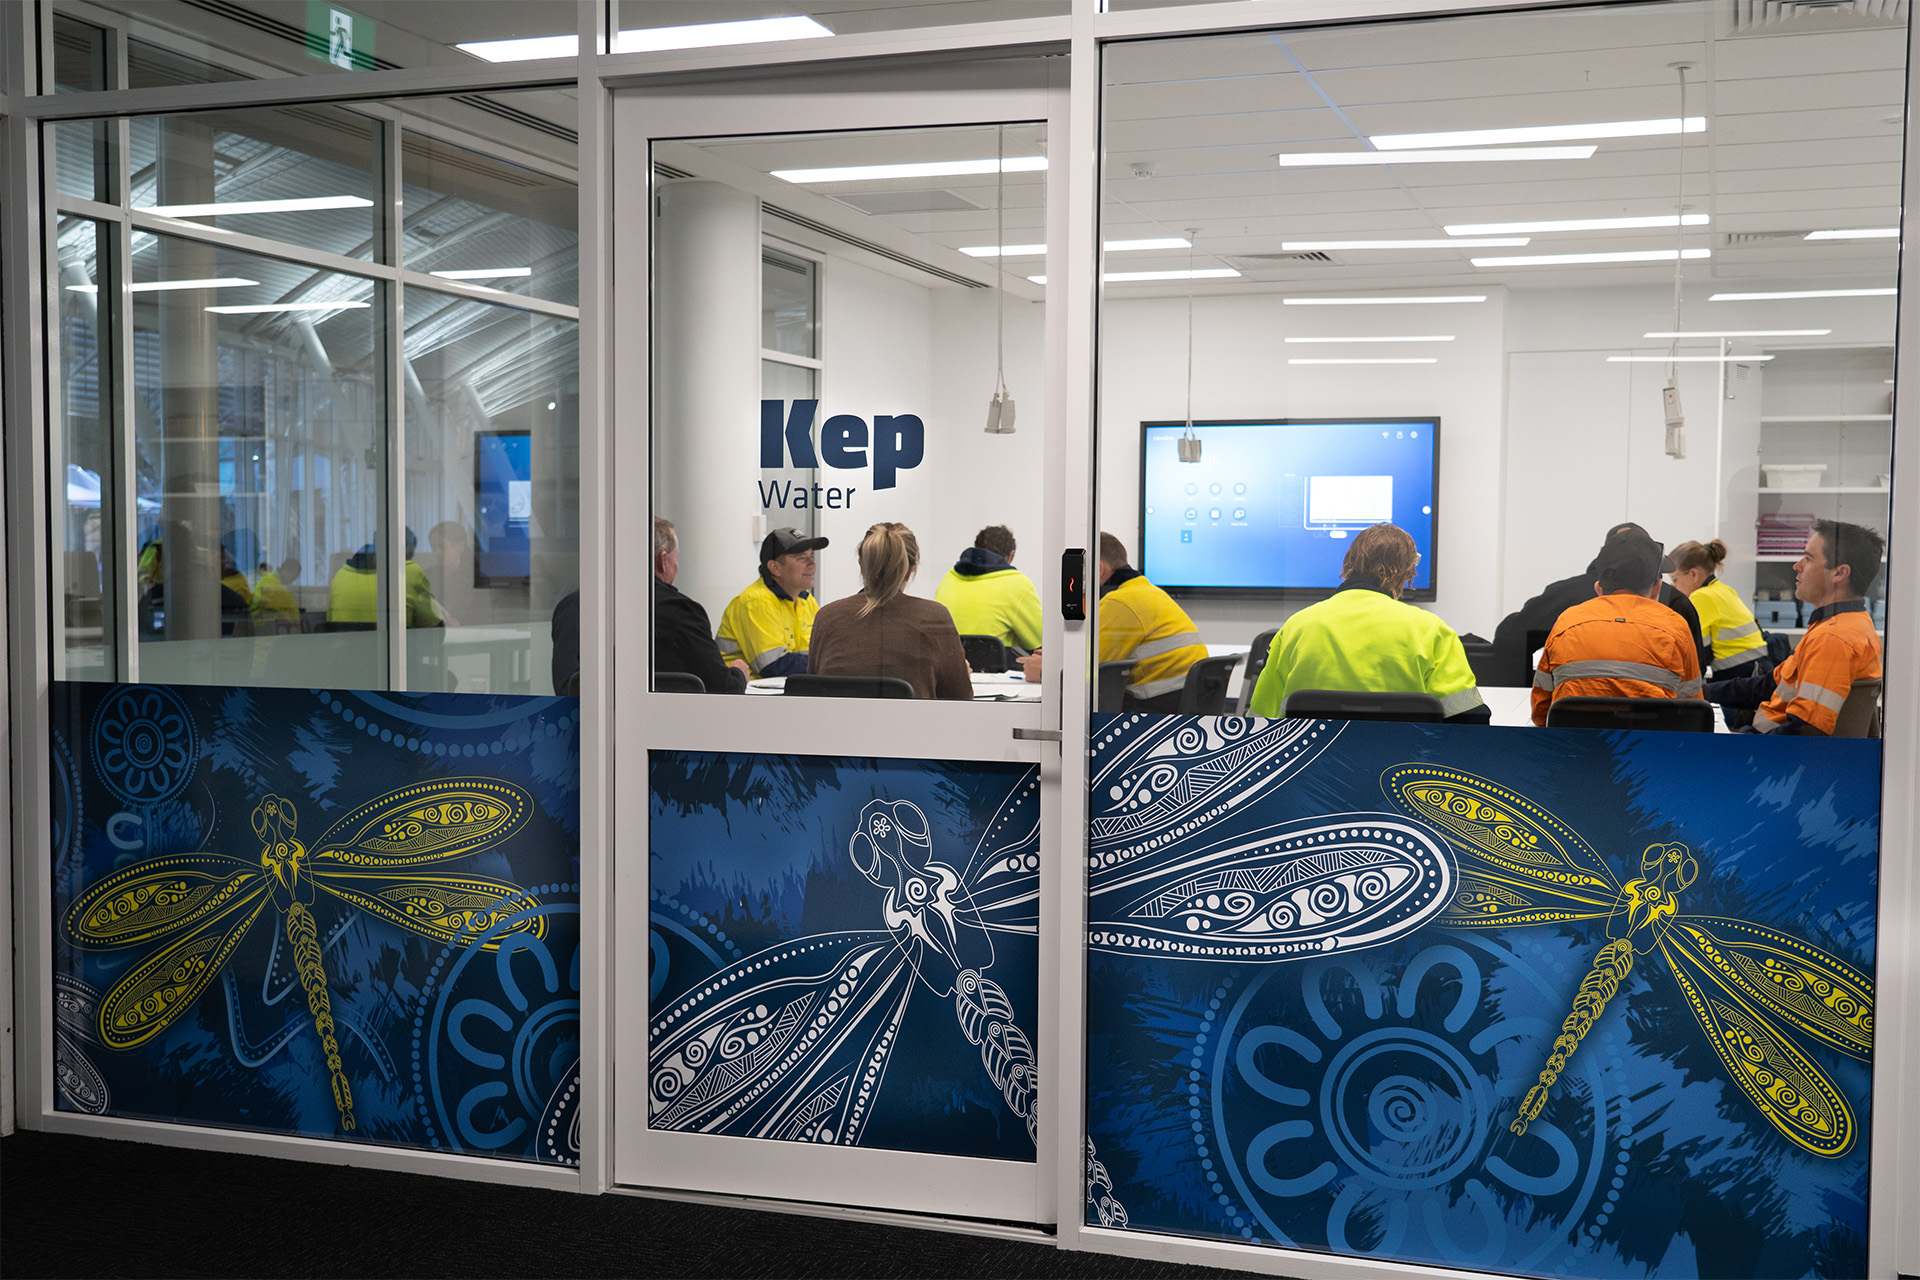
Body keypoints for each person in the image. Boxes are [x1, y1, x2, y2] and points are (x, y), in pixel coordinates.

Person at [1248, 523, 1488, 723]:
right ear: (1407, 573)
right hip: (1404, 763)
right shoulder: (1432, 630)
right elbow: (1469, 720)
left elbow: (1259, 721)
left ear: (1348, 565)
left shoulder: (1295, 628)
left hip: (1312, 762)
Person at [1706, 520, 1883, 735]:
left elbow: (1806, 730)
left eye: (1808, 558)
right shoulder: (1837, 625)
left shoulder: (1833, 638)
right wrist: (1699, 693)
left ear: (1839, 573)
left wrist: (1743, 742)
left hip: (1771, 750)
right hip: (1766, 743)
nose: (1797, 566)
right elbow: (1767, 686)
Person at [1492, 522, 1709, 687]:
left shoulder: (1565, 605)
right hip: (1655, 726)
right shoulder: (1676, 606)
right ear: (1656, 587)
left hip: (1573, 724)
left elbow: (1508, 638)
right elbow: (1693, 682)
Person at [1531, 531, 1703, 726]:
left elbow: (1540, 713)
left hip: (1574, 744)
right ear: (1657, 588)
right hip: (1649, 744)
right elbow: (1692, 716)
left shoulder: (1567, 622)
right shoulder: (1676, 627)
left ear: (1599, 588)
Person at [1022, 532, 1206, 713]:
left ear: (1099, 570)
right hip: (1183, 705)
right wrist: (1058, 659)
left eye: (1079, 574)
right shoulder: (1149, 592)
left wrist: (1044, 672)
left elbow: (1087, 674)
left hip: (1157, 712)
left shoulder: (1120, 601)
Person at [808, 522, 972, 700]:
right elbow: (960, 698)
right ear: (911, 569)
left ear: (861, 564)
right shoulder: (934, 616)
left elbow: (811, 693)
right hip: (913, 719)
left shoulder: (827, 617)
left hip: (839, 718)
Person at [1667, 538, 1769, 728]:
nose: (1673, 587)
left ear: (1693, 574)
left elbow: (1694, 652)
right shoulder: (1723, 590)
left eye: (1675, 579)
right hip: (1755, 674)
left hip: (1738, 680)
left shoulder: (1702, 597)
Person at [653, 517, 749, 693]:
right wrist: (739, 673)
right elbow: (723, 689)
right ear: (663, 562)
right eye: (676, 558)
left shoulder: (606, 607)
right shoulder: (681, 612)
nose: (677, 566)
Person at [717, 527, 827, 678]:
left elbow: (825, 651)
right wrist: (827, 661)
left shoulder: (806, 600)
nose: (812, 565)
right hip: (748, 690)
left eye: (812, 557)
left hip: (788, 688)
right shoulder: (756, 602)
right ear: (775, 568)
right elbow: (774, 666)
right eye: (802, 558)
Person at [933, 525, 1043, 652]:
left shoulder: (948, 579)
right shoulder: (1018, 584)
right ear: (1010, 555)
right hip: (996, 664)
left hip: (951, 663)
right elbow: (1043, 641)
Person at [327, 529, 443, 629]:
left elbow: (331, 620)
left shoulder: (340, 575)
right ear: (404, 550)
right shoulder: (409, 573)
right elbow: (435, 628)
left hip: (345, 647)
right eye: (411, 553)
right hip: (392, 647)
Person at [251, 557, 303, 632]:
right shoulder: (271, 583)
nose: (293, 580)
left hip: (272, 625)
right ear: (286, 571)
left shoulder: (281, 583)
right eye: (294, 577)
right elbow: (286, 610)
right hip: (266, 627)